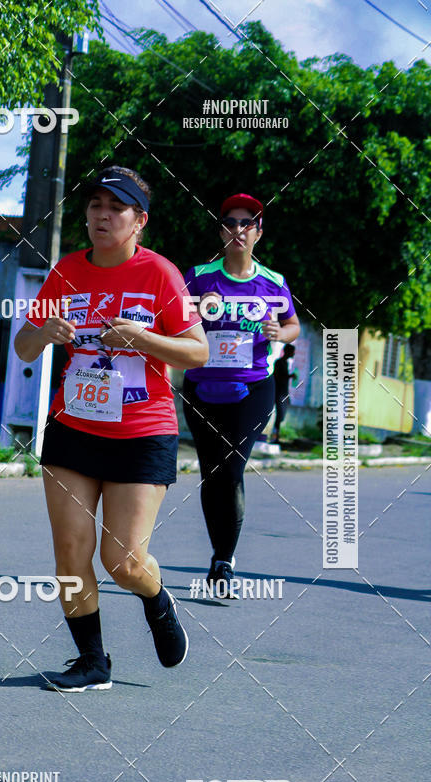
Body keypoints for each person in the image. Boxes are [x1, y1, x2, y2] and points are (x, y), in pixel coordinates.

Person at [14, 166, 208, 692]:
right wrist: (44, 333)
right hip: (74, 426)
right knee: (71, 551)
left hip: (142, 431)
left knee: (122, 560)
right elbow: (24, 347)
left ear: (139, 220)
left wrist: (145, 340)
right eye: (95, 205)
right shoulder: (67, 271)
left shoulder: (160, 274)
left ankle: (155, 597)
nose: (102, 215)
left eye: (116, 208)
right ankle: (92, 662)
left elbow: (198, 351)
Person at [182, 193, 300, 590]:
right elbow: (174, 322)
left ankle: (223, 562)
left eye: (246, 223)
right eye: (230, 222)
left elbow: (293, 325)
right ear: (221, 231)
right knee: (211, 473)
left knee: (231, 469)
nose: (238, 229)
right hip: (202, 388)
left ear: (258, 233)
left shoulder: (274, 282)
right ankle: (220, 553)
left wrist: (279, 332)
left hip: (252, 390)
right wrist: (196, 312)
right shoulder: (198, 277)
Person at [271, 344, 297, 443]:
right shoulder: (279, 362)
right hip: (278, 393)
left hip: (283, 393)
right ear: (287, 351)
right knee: (278, 415)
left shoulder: (285, 363)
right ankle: (274, 437)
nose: (293, 354)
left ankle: (276, 436)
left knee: (281, 416)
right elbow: (277, 377)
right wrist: (289, 376)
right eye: (292, 351)